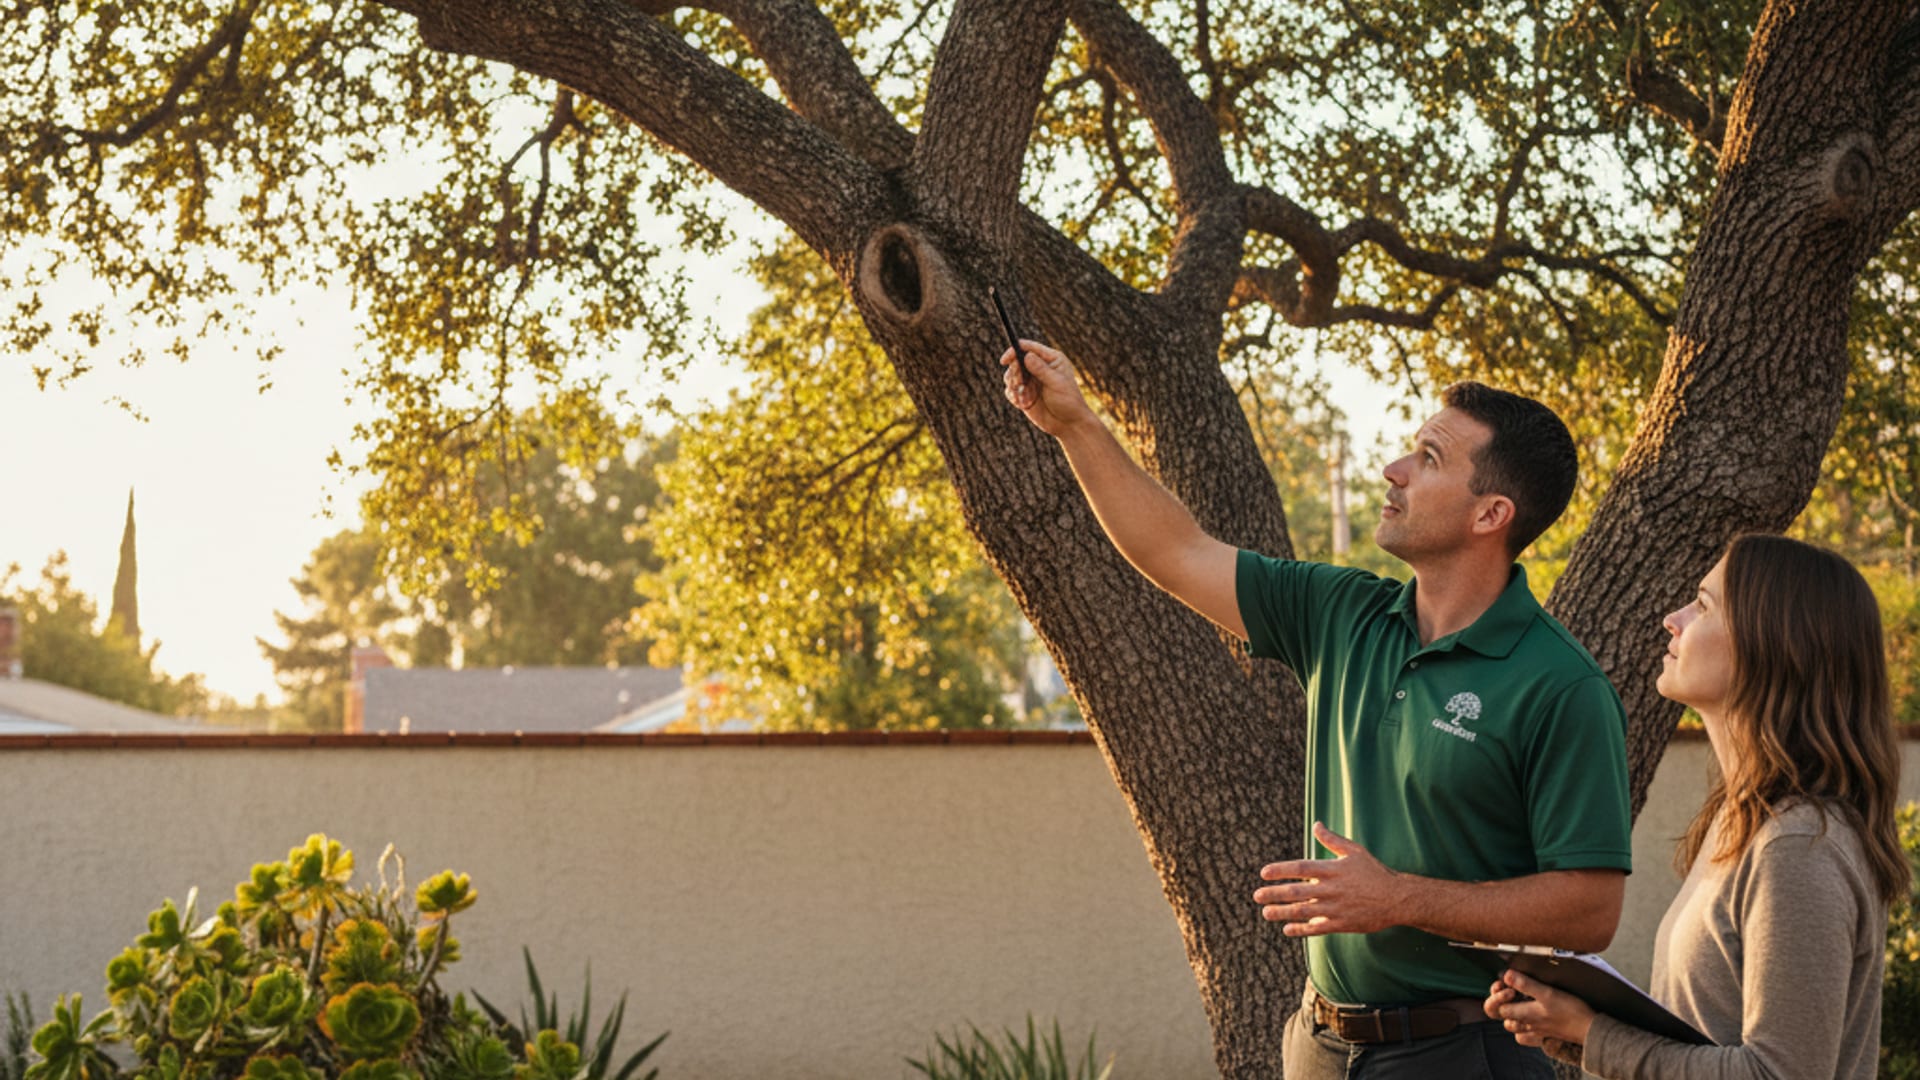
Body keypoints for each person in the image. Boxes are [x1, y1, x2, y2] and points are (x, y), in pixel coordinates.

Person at [1001, 339, 1633, 1078]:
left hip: (1461, 1053)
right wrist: (1075, 424)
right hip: (1318, 1043)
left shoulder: (1560, 685)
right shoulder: (1343, 613)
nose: (1392, 471)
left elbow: (1590, 912)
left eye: (1427, 459)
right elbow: (1178, 552)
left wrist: (1397, 898)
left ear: (1491, 513)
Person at [1484, 534, 1910, 1078]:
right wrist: (1570, 1029)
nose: (1672, 619)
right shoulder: (1745, 821)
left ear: (1773, 644)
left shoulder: (1798, 845)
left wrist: (1594, 1032)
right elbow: (1708, 1033)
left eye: (1703, 605)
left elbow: (1780, 1073)